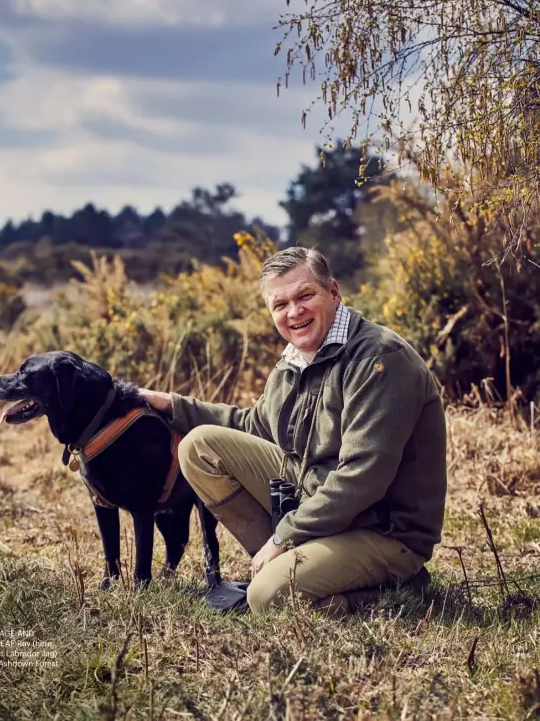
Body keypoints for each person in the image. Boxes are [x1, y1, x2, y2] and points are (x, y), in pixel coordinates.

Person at [140, 246, 447, 614]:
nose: (294, 312)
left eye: (305, 296)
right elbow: (255, 426)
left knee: (265, 597)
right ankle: (294, 565)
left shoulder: (378, 359)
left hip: (383, 530)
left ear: (334, 292)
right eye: (280, 304)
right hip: (322, 508)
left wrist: (285, 536)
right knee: (199, 447)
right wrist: (173, 405)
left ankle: (397, 586)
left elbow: (362, 477)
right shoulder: (295, 360)